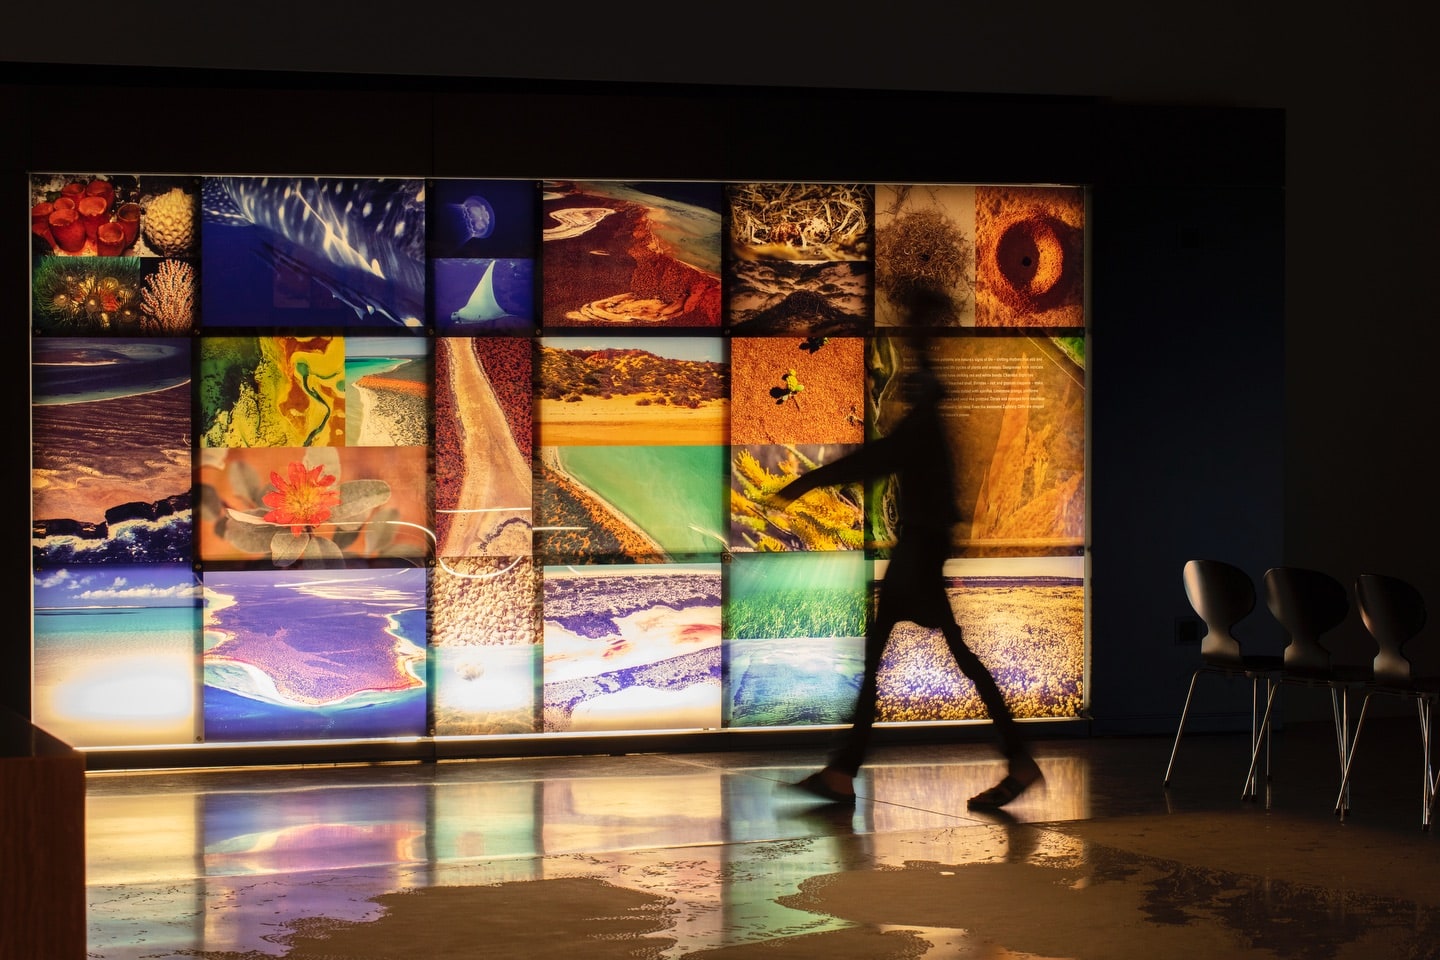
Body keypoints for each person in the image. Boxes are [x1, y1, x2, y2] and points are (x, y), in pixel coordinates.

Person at [768, 288, 1042, 809]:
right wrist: (918, 328)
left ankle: (847, 772)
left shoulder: (919, 429)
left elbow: (871, 461)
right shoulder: (928, 424)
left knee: (905, 659)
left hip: (918, 552)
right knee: (950, 657)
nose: (900, 390)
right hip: (921, 549)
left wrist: (800, 487)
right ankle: (1013, 760)